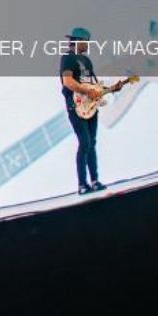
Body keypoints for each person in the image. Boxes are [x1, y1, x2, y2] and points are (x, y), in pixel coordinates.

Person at [59, 27, 106, 195]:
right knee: (85, 142)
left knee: (92, 143)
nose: (87, 45)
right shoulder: (68, 58)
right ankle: (82, 184)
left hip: (90, 108)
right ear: (78, 41)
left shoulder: (87, 60)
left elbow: (93, 83)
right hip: (75, 107)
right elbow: (67, 81)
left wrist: (100, 93)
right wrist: (87, 92)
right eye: (86, 41)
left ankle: (94, 181)